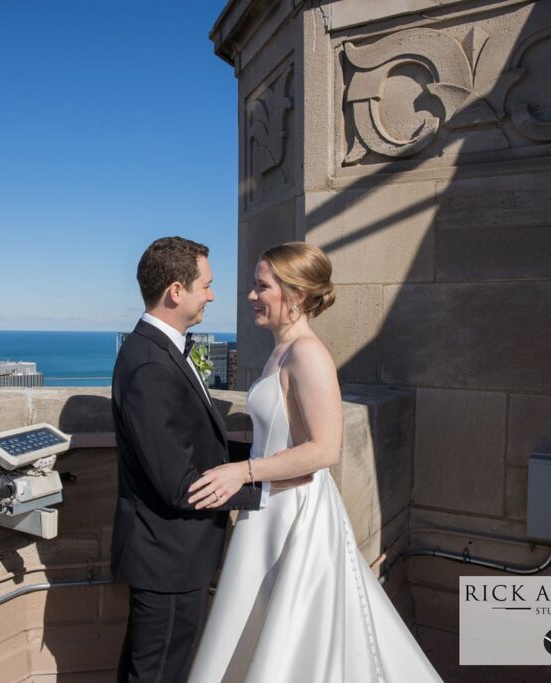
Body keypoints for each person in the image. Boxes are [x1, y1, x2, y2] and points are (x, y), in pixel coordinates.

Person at [185, 242, 442, 682]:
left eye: (262, 286)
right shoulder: (281, 350)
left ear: (297, 295)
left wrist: (242, 471)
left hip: (295, 512)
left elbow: (326, 449)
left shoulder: (309, 354)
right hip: (269, 507)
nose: (250, 296)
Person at [111, 236, 267, 683]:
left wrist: (259, 456)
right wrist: (265, 484)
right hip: (169, 561)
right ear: (176, 291)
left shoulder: (158, 352)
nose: (213, 295)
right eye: (206, 285)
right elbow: (181, 483)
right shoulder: (150, 366)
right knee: (160, 674)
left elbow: (194, 446)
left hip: (169, 557)